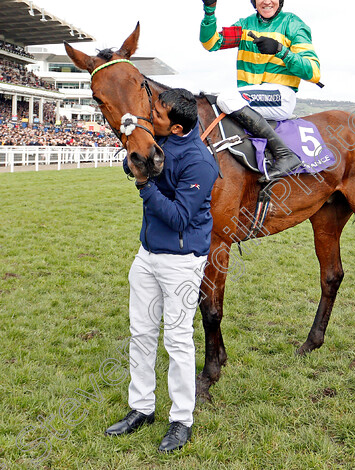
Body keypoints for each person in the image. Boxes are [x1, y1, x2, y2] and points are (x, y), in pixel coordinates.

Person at [106, 88, 219, 453]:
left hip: (181, 262)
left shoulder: (201, 163)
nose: (150, 113)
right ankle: (142, 408)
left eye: (157, 112)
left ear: (178, 127)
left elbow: (178, 217)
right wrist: (134, 162)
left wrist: (143, 184)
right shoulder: (156, 138)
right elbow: (131, 161)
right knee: (140, 333)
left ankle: (181, 419)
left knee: (177, 340)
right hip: (147, 255)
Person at [199, 0, 322, 181]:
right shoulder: (245, 25)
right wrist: (209, 11)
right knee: (212, 101)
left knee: (227, 98)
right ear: (253, 0)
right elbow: (211, 43)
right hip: (250, 98)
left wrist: (281, 50)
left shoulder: (293, 24)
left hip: (281, 96)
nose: (267, 1)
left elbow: (313, 72)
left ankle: (285, 155)